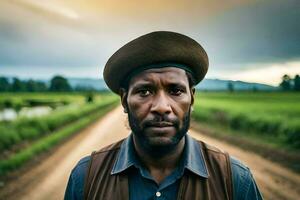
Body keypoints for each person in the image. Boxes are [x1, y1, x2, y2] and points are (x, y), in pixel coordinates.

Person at [65, 31, 263, 200]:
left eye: (175, 91)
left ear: (191, 99)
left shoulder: (236, 180)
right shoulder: (85, 178)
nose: (161, 107)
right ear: (124, 101)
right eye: (144, 91)